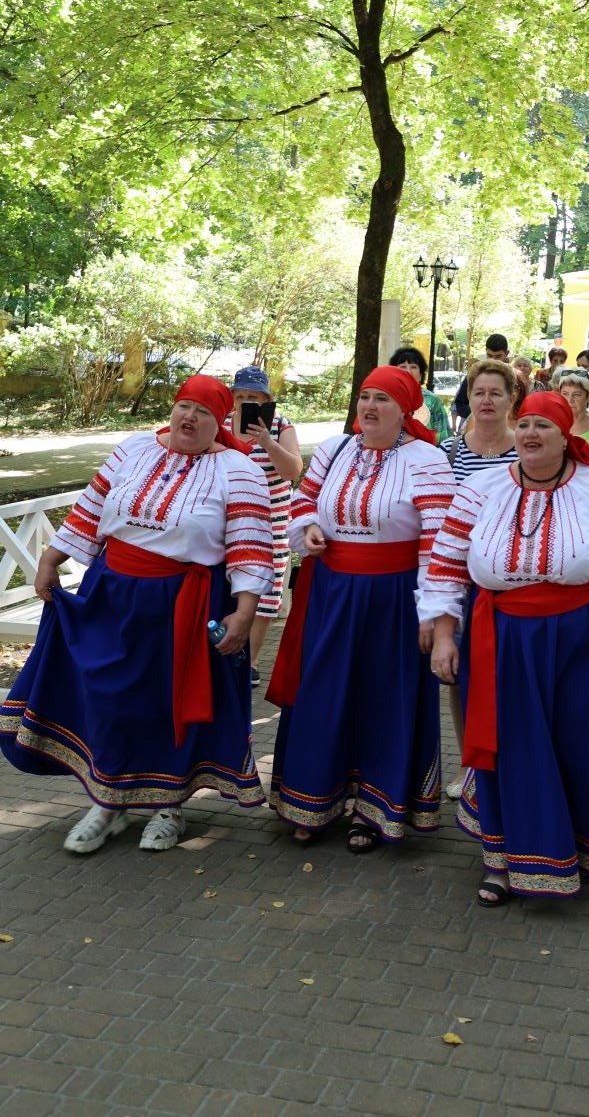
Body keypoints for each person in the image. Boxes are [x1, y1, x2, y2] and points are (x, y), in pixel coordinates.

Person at [0, 376, 274, 853]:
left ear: (220, 422)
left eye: (203, 413)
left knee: (165, 706)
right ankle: (109, 802)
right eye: (183, 406)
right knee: (110, 700)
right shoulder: (133, 448)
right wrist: (50, 561)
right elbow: (90, 509)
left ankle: (169, 807)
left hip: (182, 605)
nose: (189, 417)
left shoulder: (240, 470)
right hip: (112, 593)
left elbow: (251, 546)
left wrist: (245, 611)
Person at [421, 391, 589, 903]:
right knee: (513, 747)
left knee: (580, 743)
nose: (531, 434)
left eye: (543, 427)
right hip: (504, 638)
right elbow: (444, 566)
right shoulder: (480, 489)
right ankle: (504, 860)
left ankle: (578, 850)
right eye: (524, 424)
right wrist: (443, 635)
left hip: (583, 636)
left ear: (566, 436)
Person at [266, 367, 456, 849]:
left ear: (405, 411)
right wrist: (307, 528)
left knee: (382, 699)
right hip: (330, 591)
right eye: (365, 397)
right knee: (324, 693)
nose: (369, 407)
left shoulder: (426, 459)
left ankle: (376, 811)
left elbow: (440, 541)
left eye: (383, 400)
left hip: (392, 598)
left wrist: (433, 612)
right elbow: (301, 501)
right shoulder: (333, 449)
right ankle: (313, 800)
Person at [438, 359, 520, 798]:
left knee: (507, 675)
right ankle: (468, 766)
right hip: (460, 578)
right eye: (478, 393)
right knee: (459, 674)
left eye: (495, 393)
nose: (485, 401)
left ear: (511, 399)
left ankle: (507, 764)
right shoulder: (448, 451)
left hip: (512, 581)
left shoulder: (525, 448)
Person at [224, 365, 304, 687]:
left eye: (253, 396)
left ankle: (252, 660)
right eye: (241, 395)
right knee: (230, 586)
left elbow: (293, 470)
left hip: (271, 521)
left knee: (266, 592)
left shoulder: (281, 425)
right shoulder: (222, 424)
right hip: (229, 520)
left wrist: (268, 442)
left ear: (267, 399)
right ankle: (227, 650)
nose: (246, 401)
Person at [388, 346, 450, 445]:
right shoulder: (386, 398)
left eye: (413, 367)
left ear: (421, 375)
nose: (408, 371)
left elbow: (443, 438)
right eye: (403, 367)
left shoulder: (432, 401)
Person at [451, 333, 509, 427]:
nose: (493, 360)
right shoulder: (473, 375)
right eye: (490, 355)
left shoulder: (513, 378)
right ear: (485, 352)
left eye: (498, 356)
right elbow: (459, 404)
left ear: (506, 354)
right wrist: (479, 411)